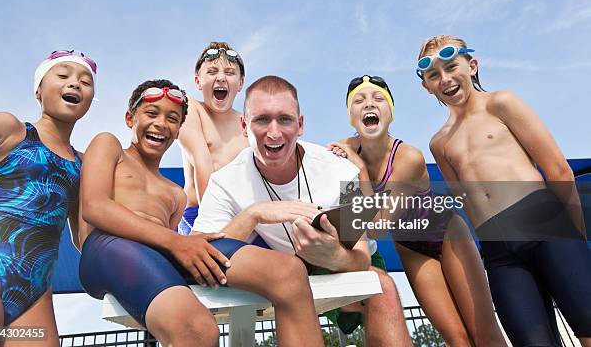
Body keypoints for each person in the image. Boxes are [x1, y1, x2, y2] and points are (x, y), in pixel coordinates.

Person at [77, 79, 323, 347]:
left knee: (288, 272)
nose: (161, 123)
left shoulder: (175, 194)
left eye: (172, 118)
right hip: (106, 245)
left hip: (161, 249)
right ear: (129, 118)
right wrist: (177, 243)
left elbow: (171, 254)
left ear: (179, 130)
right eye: (151, 113)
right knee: (197, 330)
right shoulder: (109, 145)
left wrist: (178, 249)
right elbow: (95, 207)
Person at [193, 75, 413, 346]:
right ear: (243, 126)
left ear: (300, 125)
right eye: (261, 120)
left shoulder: (343, 170)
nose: (274, 133)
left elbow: (361, 259)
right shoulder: (225, 180)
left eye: (285, 119)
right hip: (287, 267)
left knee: (384, 289)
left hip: (345, 257)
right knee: (285, 276)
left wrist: (333, 255)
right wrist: (254, 214)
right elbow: (198, 252)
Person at [417, 35, 591, 346]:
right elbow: (467, 202)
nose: (445, 79)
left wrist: (575, 235)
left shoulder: (501, 103)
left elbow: (558, 170)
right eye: (434, 74)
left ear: (472, 66)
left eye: (451, 66)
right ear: (426, 86)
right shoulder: (439, 143)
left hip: (548, 229)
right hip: (500, 254)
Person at [328, 75, 506, 346]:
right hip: (410, 245)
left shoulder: (408, 157)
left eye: (378, 99)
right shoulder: (343, 151)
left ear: (390, 113)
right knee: (456, 338)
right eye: (358, 101)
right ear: (351, 117)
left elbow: (377, 226)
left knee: (484, 334)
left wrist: (360, 170)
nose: (368, 105)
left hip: (446, 233)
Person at [0, 50, 96, 346]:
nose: (75, 84)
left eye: (85, 81)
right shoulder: (10, 130)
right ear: (38, 91)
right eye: (62, 75)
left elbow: (84, 236)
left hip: (33, 293)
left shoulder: (84, 166)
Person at [177, 42, 248, 234]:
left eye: (230, 72)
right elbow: (203, 164)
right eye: (212, 71)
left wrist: (339, 148)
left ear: (240, 83)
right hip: (200, 214)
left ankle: (341, 238)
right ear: (198, 81)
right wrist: (210, 228)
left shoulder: (250, 125)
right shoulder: (191, 109)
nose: (221, 78)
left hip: (244, 216)